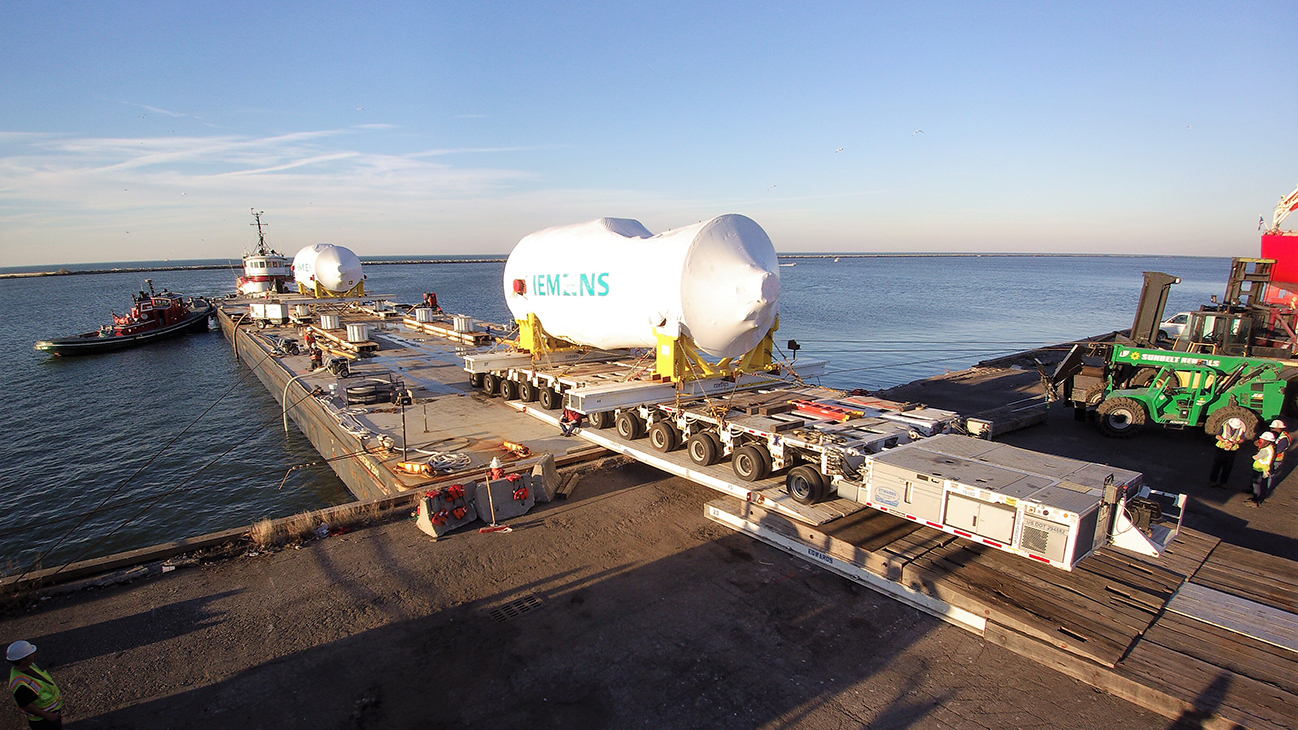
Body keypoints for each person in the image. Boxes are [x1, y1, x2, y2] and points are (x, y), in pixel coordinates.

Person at [7, 641, 62, 729]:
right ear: (23, 660)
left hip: (51, 712)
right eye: (31, 654)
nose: (34, 654)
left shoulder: (29, 666)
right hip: (43, 720)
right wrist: (48, 716)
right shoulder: (20, 685)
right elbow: (27, 706)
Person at [1209, 416, 1247, 488]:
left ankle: (1223, 482)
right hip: (1221, 449)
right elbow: (1217, 436)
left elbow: (1243, 439)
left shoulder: (1241, 430)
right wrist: (1225, 440)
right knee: (1217, 466)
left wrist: (1237, 442)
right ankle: (1213, 481)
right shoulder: (1224, 427)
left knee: (1227, 467)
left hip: (1232, 451)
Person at [1249, 431, 1277, 507]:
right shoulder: (1271, 447)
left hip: (1259, 468)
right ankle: (1258, 498)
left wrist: (1253, 456)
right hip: (1265, 469)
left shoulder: (1264, 450)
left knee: (1257, 485)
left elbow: (1256, 457)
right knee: (1262, 484)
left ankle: (1255, 501)